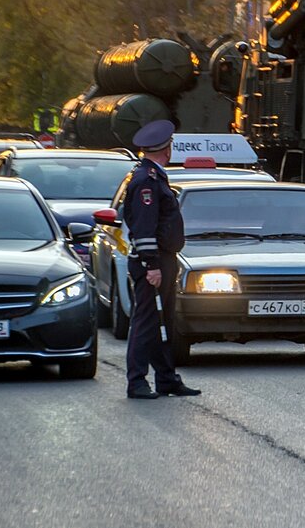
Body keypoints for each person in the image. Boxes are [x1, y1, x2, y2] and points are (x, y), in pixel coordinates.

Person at [124, 120, 200, 399]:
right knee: (146, 322)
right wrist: (152, 265)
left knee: (163, 321)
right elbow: (144, 228)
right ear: (167, 149)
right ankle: (137, 381)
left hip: (163, 260)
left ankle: (167, 378)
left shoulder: (153, 176)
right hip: (152, 263)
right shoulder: (146, 181)